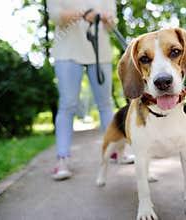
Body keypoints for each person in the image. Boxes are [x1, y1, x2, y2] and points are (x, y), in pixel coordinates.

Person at [47, 0, 134, 180]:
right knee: (67, 104)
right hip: (67, 52)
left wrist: (108, 19)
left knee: (105, 103)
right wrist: (83, 13)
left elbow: (111, 25)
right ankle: (62, 159)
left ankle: (116, 150)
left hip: (99, 53)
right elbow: (56, 16)